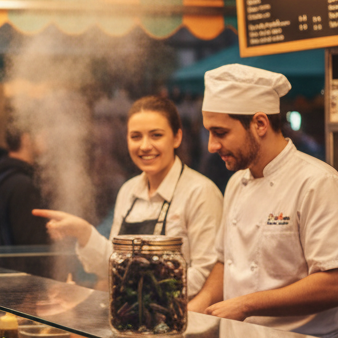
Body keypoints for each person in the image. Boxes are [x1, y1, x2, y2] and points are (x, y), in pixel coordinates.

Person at [187, 63, 338, 338]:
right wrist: (193, 314)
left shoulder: (318, 184)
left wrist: (245, 304)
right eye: (209, 132)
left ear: (259, 123)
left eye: (220, 132)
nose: (211, 146)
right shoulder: (237, 184)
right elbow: (227, 264)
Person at [33, 96, 223, 295]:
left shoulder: (200, 192)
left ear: (177, 138)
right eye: (136, 137)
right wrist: (83, 232)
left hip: (182, 320)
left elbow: (205, 275)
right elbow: (115, 263)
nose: (144, 146)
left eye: (156, 135)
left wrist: (141, 289)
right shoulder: (128, 191)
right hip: (131, 317)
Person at [0, 127, 48, 246]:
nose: (47, 139)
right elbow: (31, 246)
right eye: (42, 132)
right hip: (12, 265)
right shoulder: (23, 185)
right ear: (26, 139)